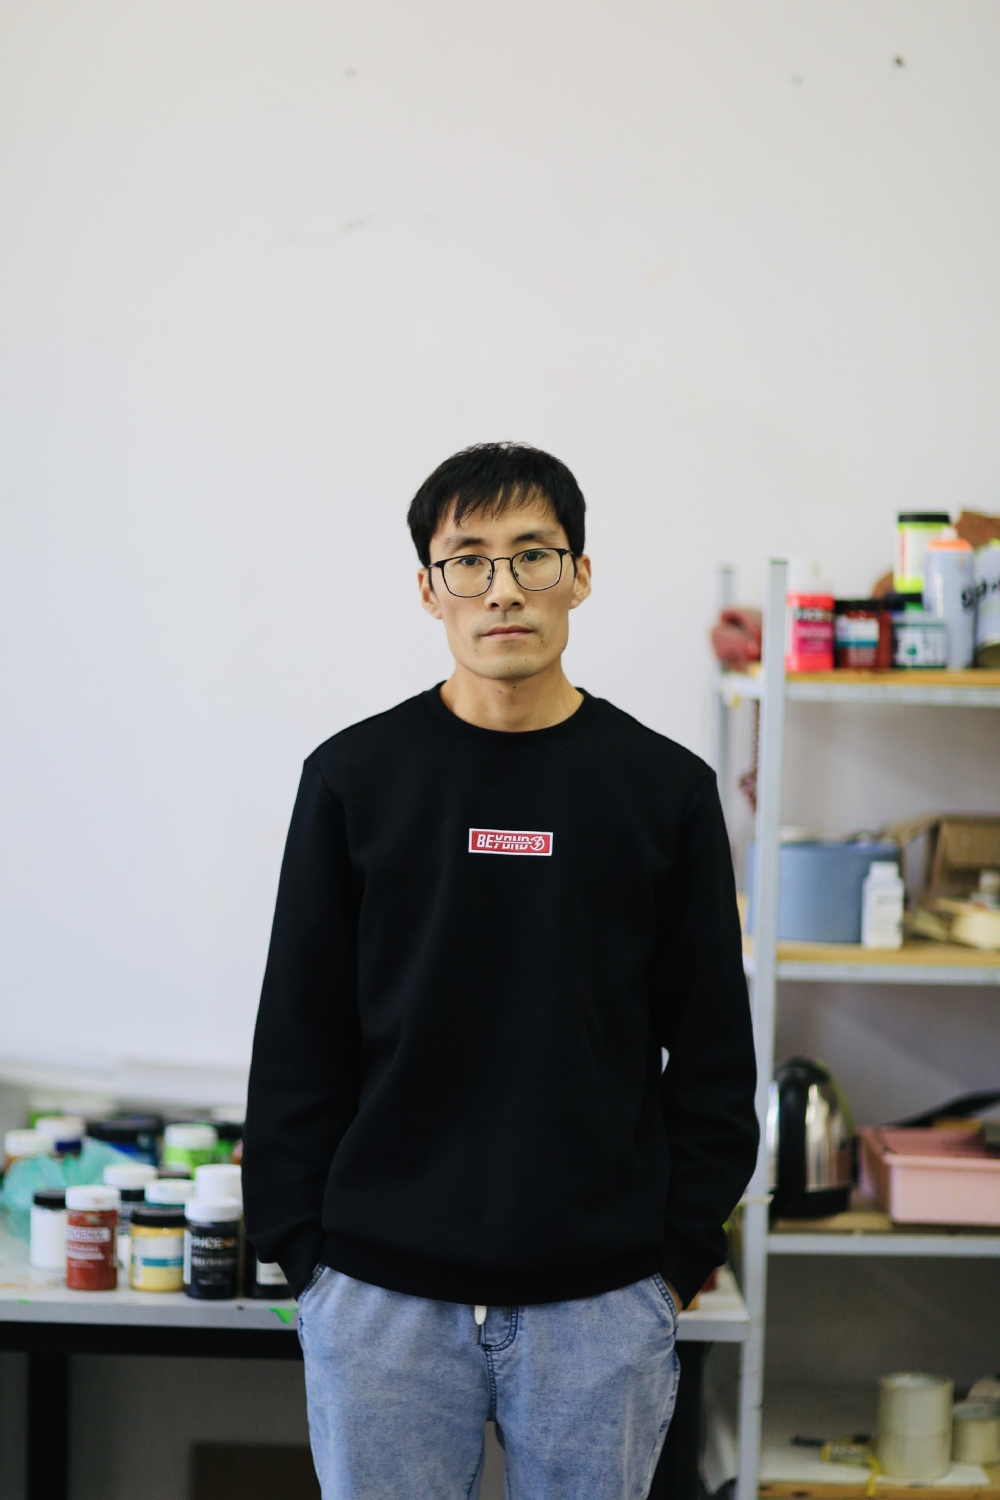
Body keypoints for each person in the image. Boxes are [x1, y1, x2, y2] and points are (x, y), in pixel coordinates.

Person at [243, 442, 758, 1500]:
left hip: (601, 1303)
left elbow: (713, 1054)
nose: (503, 588)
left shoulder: (664, 791)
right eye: (469, 559)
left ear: (580, 573)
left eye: (533, 554)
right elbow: (298, 1036)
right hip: (378, 1297)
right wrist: (309, 1262)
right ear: (428, 589)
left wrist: (672, 1265)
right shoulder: (352, 780)